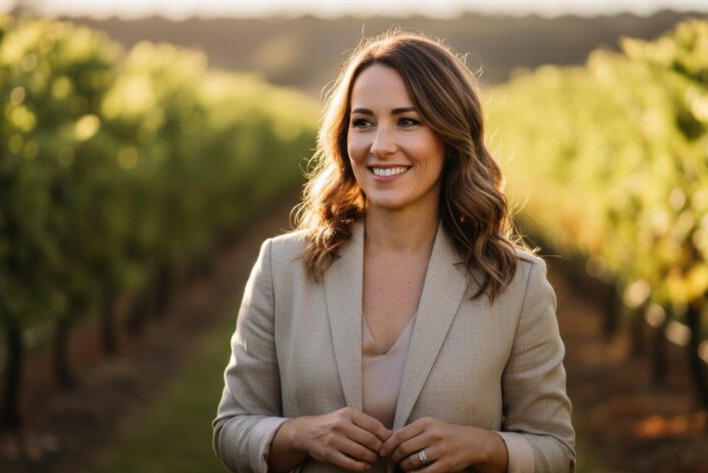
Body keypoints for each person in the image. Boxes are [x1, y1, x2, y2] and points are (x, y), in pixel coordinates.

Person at [212, 31, 575, 473]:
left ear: (450, 135)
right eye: (363, 122)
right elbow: (232, 428)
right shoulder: (281, 266)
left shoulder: (517, 282)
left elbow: (556, 450)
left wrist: (485, 447)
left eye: (407, 121)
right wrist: (301, 434)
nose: (380, 145)